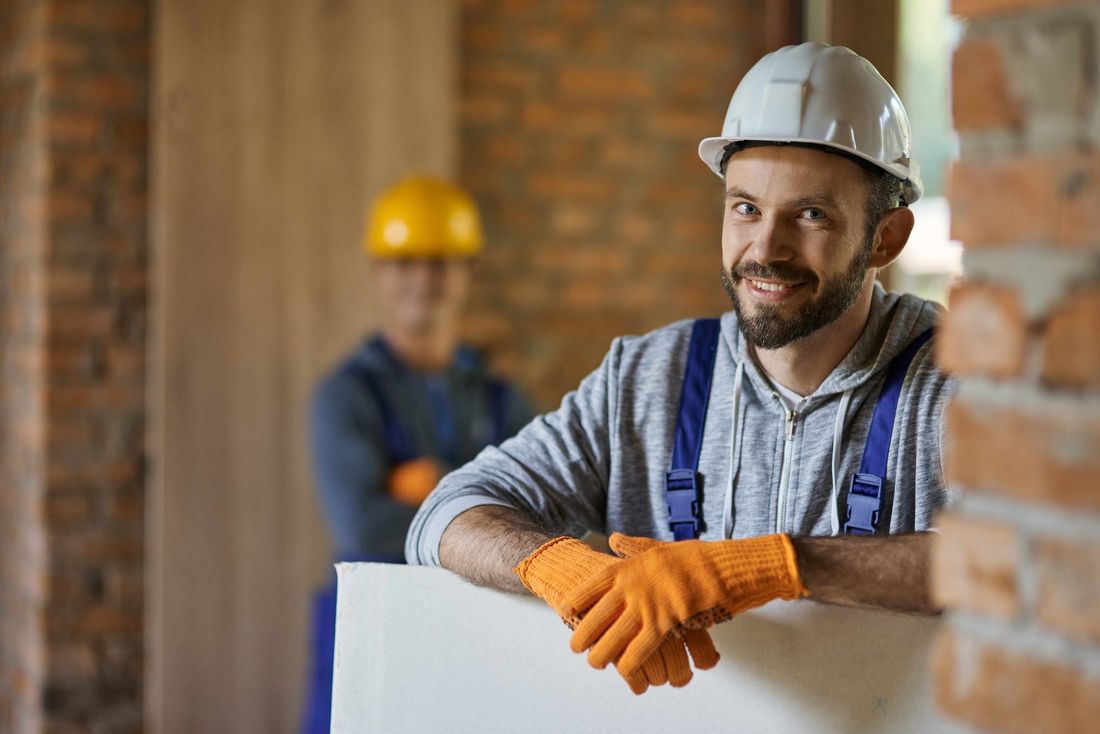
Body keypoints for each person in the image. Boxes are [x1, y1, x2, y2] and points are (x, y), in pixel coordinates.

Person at [405, 42, 956, 695]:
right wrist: (558, 567)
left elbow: (1035, 568)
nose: (765, 250)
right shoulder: (645, 380)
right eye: (746, 208)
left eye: (811, 215)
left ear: (886, 239)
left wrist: (778, 565)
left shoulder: (960, 385)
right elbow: (446, 514)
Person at [302, 176, 536, 733]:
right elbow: (363, 524)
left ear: (468, 271)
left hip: (480, 634)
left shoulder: (503, 399)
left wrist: (428, 486)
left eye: (440, 262)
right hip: (373, 629)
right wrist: (482, 515)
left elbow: (546, 515)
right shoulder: (346, 395)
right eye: (405, 262)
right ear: (378, 272)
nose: (422, 280)